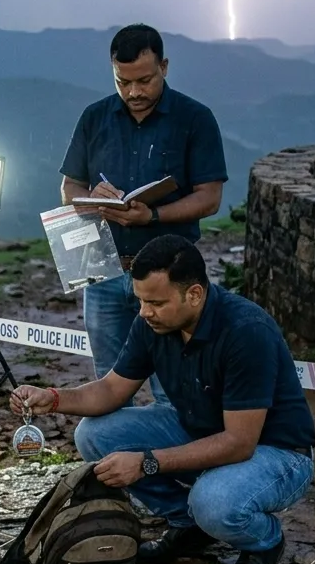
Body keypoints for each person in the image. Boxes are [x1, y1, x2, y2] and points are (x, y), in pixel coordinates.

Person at [10, 235, 315, 564]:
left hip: (277, 452)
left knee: (214, 501)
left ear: (195, 294)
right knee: (93, 435)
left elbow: (238, 443)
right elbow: (111, 389)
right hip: (200, 430)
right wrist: (54, 398)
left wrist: (146, 463)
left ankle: (263, 543)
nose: (143, 312)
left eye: (155, 302)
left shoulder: (246, 331)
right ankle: (188, 526)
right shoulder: (153, 323)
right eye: (140, 300)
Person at [59, 23, 229, 401]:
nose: (134, 92)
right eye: (123, 82)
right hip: (101, 270)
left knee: (174, 384)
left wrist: (152, 216)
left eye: (144, 81)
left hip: (168, 273)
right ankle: (115, 453)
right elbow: (68, 189)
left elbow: (210, 197)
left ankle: (175, 455)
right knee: (107, 378)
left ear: (164, 67)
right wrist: (91, 198)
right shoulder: (94, 117)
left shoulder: (194, 119)